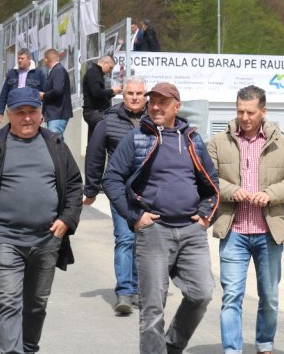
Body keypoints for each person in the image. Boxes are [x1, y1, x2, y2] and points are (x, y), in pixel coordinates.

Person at [0, 87, 82, 354]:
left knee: (36, 303)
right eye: (20, 113)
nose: (27, 118)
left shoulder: (55, 145)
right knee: (9, 301)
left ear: (41, 114)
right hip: (4, 237)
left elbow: (75, 186)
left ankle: (29, 348)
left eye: (32, 112)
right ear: (8, 115)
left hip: (47, 239)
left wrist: (67, 219)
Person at [102, 82, 219, 354]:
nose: (154, 106)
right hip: (154, 231)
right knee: (153, 307)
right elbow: (112, 179)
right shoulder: (137, 138)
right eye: (152, 101)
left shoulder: (192, 140)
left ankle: (173, 345)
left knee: (202, 293)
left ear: (176, 107)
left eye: (162, 102)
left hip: (191, 232)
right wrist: (134, 216)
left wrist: (205, 217)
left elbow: (211, 182)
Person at [207, 85, 284, 354]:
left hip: (268, 233)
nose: (245, 117)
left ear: (263, 111)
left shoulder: (282, 143)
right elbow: (206, 178)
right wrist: (230, 190)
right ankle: (232, 350)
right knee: (231, 297)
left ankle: (264, 344)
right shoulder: (218, 142)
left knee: (270, 298)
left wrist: (270, 194)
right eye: (240, 111)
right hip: (234, 231)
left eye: (250, 112)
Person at [83, 76, 148, 315]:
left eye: (139, 94)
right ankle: (124, 292)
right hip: (119, 189)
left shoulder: (155, 120)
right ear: (124, 95)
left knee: (143, 241)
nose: (134, 97)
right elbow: (95, 156)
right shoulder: (108, 121)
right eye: (130, 93)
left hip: (149, 192)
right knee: (125, 238)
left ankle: (139, 290)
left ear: (145, 95)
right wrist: (91, 189)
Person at [0, 48, 45, 123]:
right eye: (18, 58)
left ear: (29, 59)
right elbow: (4, 94)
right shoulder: (12, 73)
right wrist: (0, 112)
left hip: (31, 108)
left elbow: (45, 94)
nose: (19, 60)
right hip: (15, 108)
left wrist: (43, 113)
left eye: (22, 58)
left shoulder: (38, 73)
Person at [81, 55, 120, 139]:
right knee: (113, 124)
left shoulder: (96, 73)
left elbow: (99, 95)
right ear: (105, 63)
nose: (110, 71)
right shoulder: (94, 73)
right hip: (93, 112)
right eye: (110, 68)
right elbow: (96, 93)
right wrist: (112, 91)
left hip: (94, 112)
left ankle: (92, 151)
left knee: (93, 139)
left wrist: (112, 93)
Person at [40, 48, 72, 135]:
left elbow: (58, 90)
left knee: (55, 144)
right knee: (54, 143)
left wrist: (44, 96)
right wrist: (43, 113)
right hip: (55, 114)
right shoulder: (56, 70)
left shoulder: (58, 70)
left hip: (57, 114)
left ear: (46, 59)